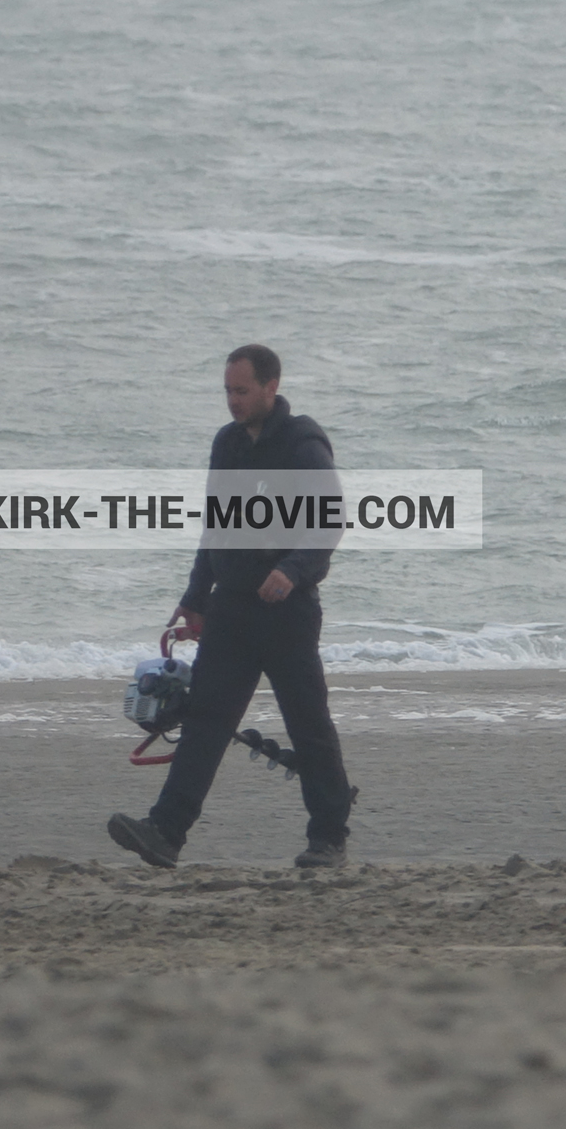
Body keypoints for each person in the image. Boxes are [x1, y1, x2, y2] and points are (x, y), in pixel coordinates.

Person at [108, 344, 357, 868]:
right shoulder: (227, 444)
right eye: (227, 390)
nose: (233, 400)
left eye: (242, 391)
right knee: (205, 721)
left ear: (271, 387)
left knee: (307, 722)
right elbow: (216, 528)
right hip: (232, 610)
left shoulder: (302, 443)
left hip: (288, 613)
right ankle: (166, 832)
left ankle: (329, 835)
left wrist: (291, 570)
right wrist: (196, 599)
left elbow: (330, 520)